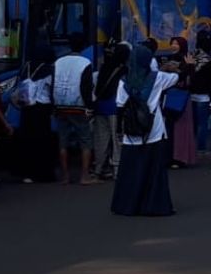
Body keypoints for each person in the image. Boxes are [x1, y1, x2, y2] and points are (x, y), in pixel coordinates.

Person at [111, 45, 178, 216]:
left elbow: (119, 106)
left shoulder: (123, 81)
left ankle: (128, 205)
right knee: (154, 171)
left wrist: (120, 130)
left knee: (131, 171)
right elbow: (176, 78)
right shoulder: (158, 78)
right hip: (153, 129)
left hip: (131, 132)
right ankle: (154, 205)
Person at [53, 32, 97, 185]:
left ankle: (65, 176)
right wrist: (90, 106)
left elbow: (53, 83)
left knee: (63, 142)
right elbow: (86, 87)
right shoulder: (85, 62)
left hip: (60, 105)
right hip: (78, 106)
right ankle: (84, 176)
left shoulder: (58, 61)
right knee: (85, 141)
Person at [15, 45, 58, 183]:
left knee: (27, 139)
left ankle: (26, 173)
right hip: (42, 109)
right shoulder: (48, 69)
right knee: (42, 141)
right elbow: (52, 90)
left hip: (27, 107)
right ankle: (42, 173)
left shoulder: (25, 66)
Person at [92, 42, 129, 180]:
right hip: (115, 108)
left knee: (101, 139)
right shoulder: (125, 70)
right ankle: (117, 169)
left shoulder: (104, 67)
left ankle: (98, 168)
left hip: (100, 107)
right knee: (116, 139)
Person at [166, 36, 197, 168]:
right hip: (175, 96)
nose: (173, 46)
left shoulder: (185, 60)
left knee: (179, 127)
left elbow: (189, 79)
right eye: (172, 43)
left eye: (176, 44)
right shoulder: (170, 59)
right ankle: (176, 156)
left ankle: (178, 157)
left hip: (180, 97)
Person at [187, 29, 211, 157]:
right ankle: (201, 147)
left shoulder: (192, 55)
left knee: (192, 123)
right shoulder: (209, 60)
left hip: (191, 94)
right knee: (202, 124)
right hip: (204, 95)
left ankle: (191, 147)